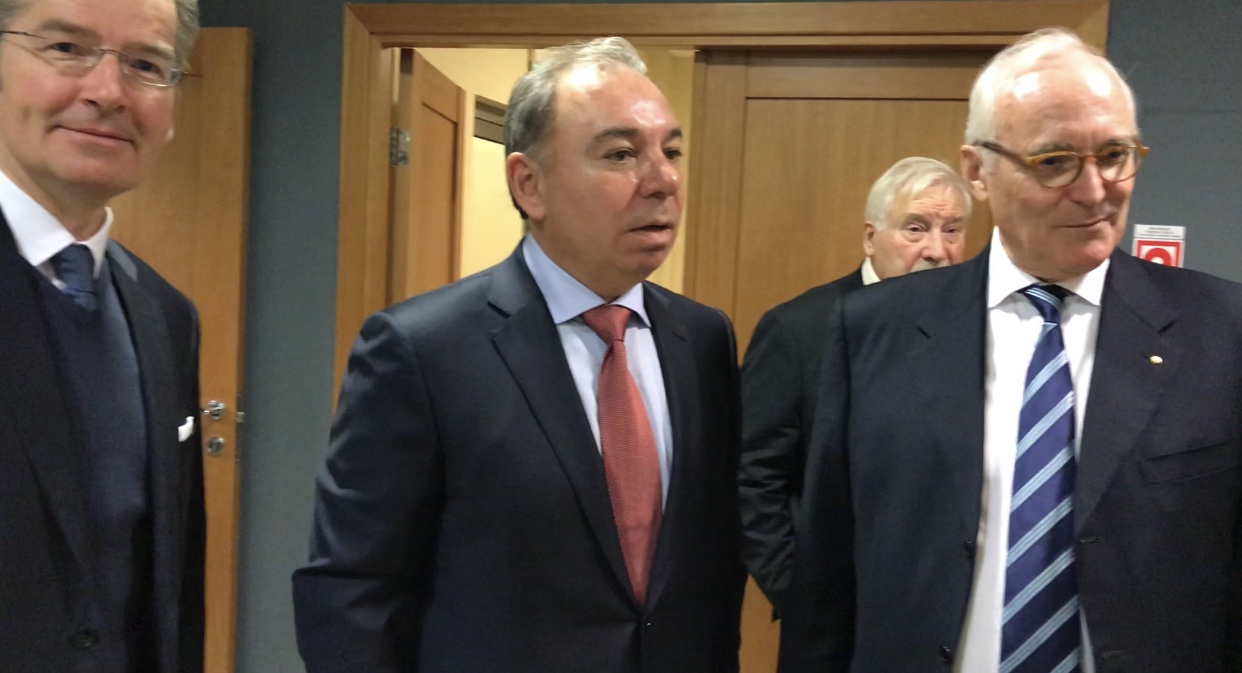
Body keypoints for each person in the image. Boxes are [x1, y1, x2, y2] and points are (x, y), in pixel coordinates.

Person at [779, 27, 1242, 673]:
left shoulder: (1221, 332)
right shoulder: (870, 330)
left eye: (1114, 154)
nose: (1095, 189)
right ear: (978, 171)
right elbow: (826, 583)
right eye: (1054, 161)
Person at [293, 37, 746, 673]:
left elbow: (713, 561)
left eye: (670, 151)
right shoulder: (422, 349)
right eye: (621, 154)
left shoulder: (703, 338)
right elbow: (352, 591)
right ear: (528, 184)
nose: (663, 180)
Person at [0, 0, 205, 671]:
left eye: (146, 65)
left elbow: (170, 587)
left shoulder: (166, 316)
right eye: (66, 49)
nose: (109, 92)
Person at [739, 157, 971, 612]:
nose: (937, 250)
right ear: (870, 238)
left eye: (953, 231)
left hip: (941, 608)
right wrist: (799, 594)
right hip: (833, 606)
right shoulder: (799, 329)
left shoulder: (974, 330)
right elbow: (754, 479)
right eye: (915, 229)